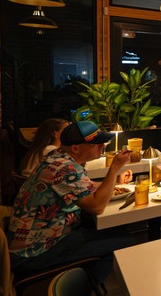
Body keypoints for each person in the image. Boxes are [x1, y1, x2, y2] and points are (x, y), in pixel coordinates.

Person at [7, 121, 135, 285]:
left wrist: (115, 182)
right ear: (76, 148)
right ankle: (79, 287)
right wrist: (115, 167)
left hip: (36, 242)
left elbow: (79, 187)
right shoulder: (66, 168)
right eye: (97, 144)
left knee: (115, 228)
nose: (102, 146)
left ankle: (81, 276)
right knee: (126, 242)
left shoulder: (57, 159)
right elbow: (97, 207)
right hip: (35, 252)